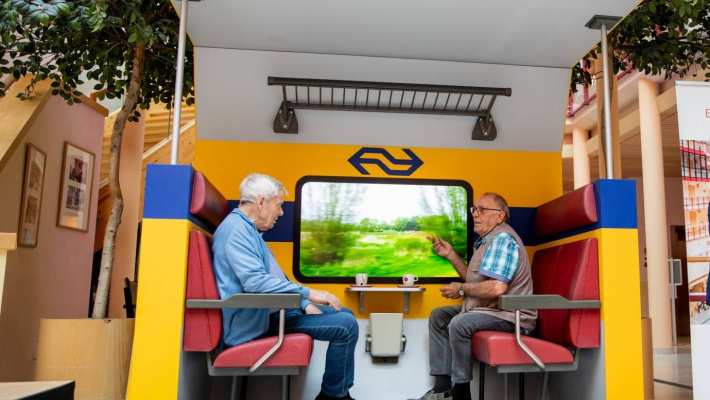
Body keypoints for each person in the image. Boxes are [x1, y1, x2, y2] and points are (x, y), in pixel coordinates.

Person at [212, 173, 358, 400]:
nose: (281, 212)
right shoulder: (236, 232)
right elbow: (256, 282)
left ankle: (338, 394)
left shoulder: (249, 231)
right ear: (261, 202)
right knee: (345, 325)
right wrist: (309, 294)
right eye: (278, 205)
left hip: (267, 312)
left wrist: (303, 302)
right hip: (253, 323)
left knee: (345, 314)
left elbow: (273, 278)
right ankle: (334, 397)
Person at [410, 192, 537, 400]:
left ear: (500, 216)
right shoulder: (486, 242)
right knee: (439, 316)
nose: (475, 214)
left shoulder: (503, 239)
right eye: (474, 210)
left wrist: (461, 289)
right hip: (490, 310)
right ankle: (442, 389)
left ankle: (461, 393)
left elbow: (497, 288)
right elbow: (475, 281)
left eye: (482, 210)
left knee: (460, 323)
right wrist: (451, 255)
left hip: (511, 316)